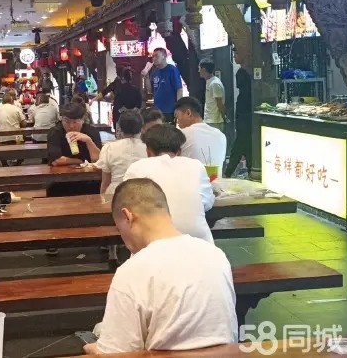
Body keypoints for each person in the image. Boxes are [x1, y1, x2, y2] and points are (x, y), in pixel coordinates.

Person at [83, 179, 237, 354]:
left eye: (119, 230)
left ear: (127, 217)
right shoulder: (216, 255)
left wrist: (90, 349)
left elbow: (116, 354)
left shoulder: (131, 272)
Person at [123, 124, 215, 243]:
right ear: (180, 152)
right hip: (200, 244)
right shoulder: (196, 166)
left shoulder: (136, 168)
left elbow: (126, 207)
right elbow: (207, 203)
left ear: (148, 152)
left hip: (153, 243)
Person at [95, 110, 146, 195]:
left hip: (116, 194)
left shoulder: (109, 148)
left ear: (119, 128)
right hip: (142, 194)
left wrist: (102, 199)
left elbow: (105, 182)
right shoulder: (148, 148)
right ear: (142, 128)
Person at [175, 96, 227, 178]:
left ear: (188, 113)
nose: (177, 121)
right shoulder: (220, 135)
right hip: (215, 183)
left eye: (177, 116)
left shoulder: (181, 135)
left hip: (190, 183)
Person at [225, 60, 253, 177]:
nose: (235, 56)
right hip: (244, 114)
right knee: (244, 144)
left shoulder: (243, 72)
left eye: (237, 53)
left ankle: (228, 173)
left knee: (240, 144)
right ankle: (250, 171)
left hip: (245, 115)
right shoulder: (242, 72)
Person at [149, 48, 183, 123]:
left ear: (164, 56)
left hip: (169, 109)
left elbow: (179, 89)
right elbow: (150, 90)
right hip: (157, 109)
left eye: (156, 56)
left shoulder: (172, 70)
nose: (154, 58)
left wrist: (178, 107)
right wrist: (144, 76)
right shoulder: (154, 72)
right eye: (153, 56)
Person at [199, 59, 226, 131]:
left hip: (215, 121)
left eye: (199, 69)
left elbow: (219, 103)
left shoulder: (215, 83)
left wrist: (224, 117)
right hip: (209, 120)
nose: (198, 71)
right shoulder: (209, 81)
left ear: (203, 70)